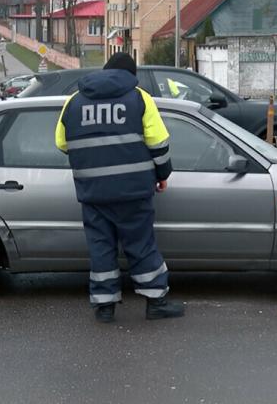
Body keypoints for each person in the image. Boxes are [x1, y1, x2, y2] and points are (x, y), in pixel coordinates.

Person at [55, 52, 185, 323]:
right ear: (131, 75)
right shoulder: (139, 98)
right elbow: (158, 144)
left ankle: (105, 307)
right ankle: (155, 302)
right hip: (133, 191)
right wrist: (163, 174)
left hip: (93, 192)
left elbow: (62, 144)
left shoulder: (74, 102)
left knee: (101, 247)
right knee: (141, 244)